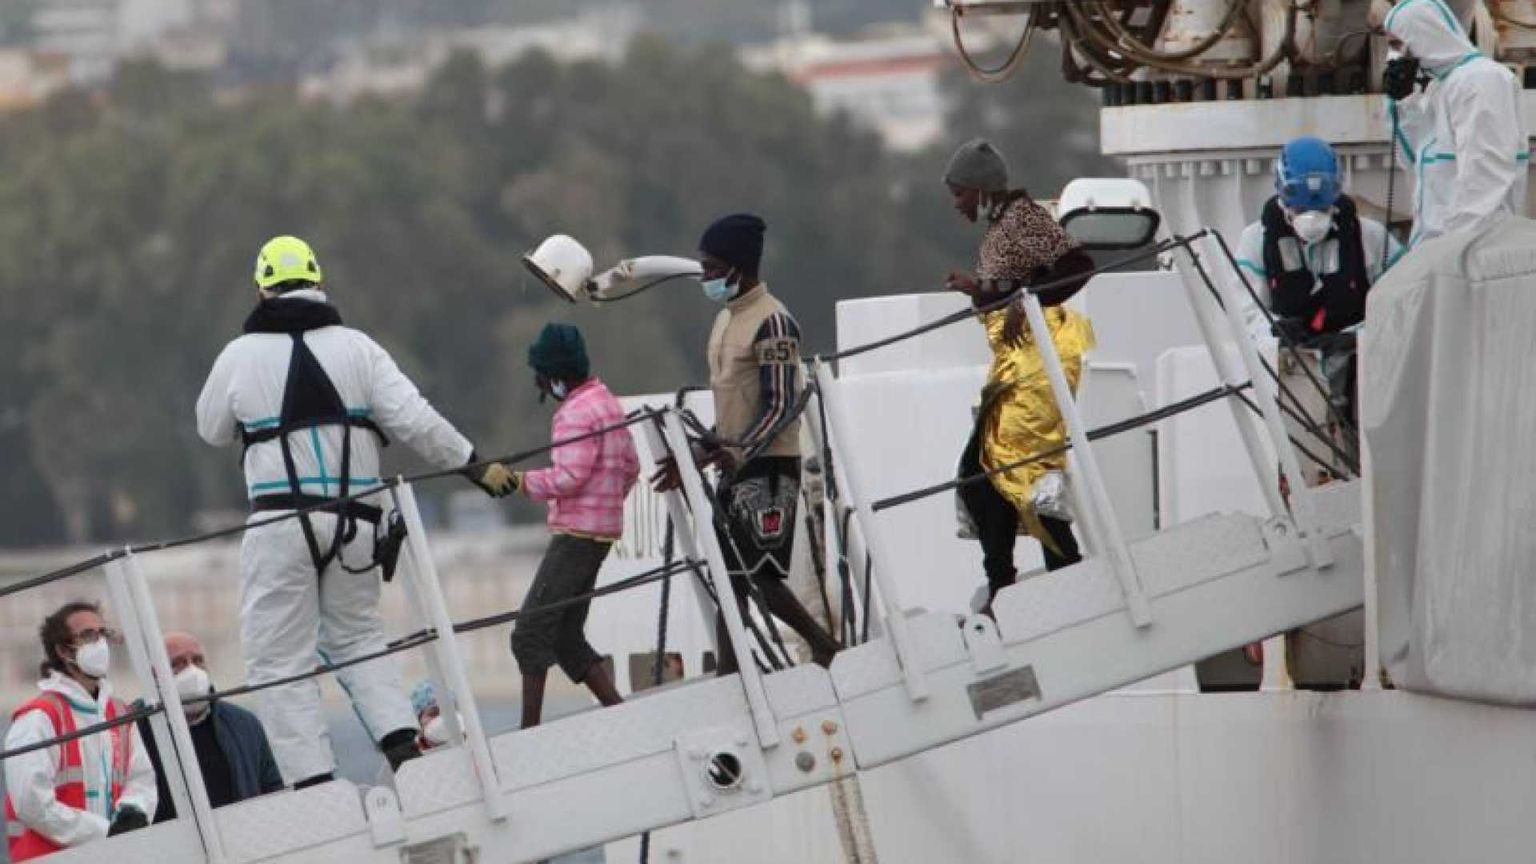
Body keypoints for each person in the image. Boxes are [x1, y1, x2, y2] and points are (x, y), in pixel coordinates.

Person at [196, 235, 517, 789]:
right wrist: (474, 465)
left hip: (280, 524)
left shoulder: (238, 355)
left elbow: (211, 429)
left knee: (280, 661)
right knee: (360, 641)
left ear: (261, 288)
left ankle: (316, 786)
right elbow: (415, 420)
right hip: (359, 527)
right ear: (320, 281)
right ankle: (403, 753)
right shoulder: (360, 348)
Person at [652, 213, 842, 676]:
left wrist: (734, 449)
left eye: (714, 268)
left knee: (759, 574)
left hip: (770, 469)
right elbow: (732, 407)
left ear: (738, 267)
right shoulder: (725, 320)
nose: (707, 277)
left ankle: (824, 647)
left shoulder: (774, 322)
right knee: (729, 575)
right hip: (734, 466)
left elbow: (780, 406)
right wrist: (695, 456)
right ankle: (731, 676)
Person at [941, 138, 1096, 614]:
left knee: (1006, 474)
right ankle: (1012, 583)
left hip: (1037, 367)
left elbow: (1078, 267)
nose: (957, 204)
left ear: (981, 188)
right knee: (988, 477)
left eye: (960, 193)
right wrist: (981, 290)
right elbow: (1007, 289)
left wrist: (1024, 300)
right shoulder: (1002, 227)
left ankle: (1045, 577)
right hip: (1016, 365)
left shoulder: (1023, 218)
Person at [1228, 137, 1402, 483]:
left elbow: (1402, 302)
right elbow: (1242, 309)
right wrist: (1275, 332)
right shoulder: (1257, 241)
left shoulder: (1369, 238)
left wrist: (1355, 338)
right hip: (1294, 371)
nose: (1312, 217)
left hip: (1360, 367)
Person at [506, 323, 638, 728]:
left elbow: (568, 478)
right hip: (602, 534)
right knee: (565, 636)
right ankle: (620, 713)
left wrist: (519, 482)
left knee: (529, 632)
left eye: (542, 378)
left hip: (575, 537)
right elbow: (631, 467)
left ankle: (528, 732)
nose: (542, 386)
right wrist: (606, 505)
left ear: (556, 374)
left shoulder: (574, 413)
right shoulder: (607, 401)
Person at [4, 601, 157, 860]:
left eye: (103, 634)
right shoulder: (39, 718)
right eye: (88, 635)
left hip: (113, 856)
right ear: (63, 650)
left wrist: (135, 810)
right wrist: (103, 831)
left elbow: (141, 778)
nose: (100, 643)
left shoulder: (119, 714)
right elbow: (31, 802)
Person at [1375, 0, 1527, 246]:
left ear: (1423, 34)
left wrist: (1452, 250)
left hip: (1468, 252)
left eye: (1396, 44)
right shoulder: (1440, 87)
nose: (1392, 55)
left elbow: (1485, 179)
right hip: (1435, 249)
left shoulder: (1481, 80)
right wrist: (1401, 102)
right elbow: (1410, 159)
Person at [134, 631, 284, 822]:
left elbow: (272, 789)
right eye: (177, 664)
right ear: (155, 676)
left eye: (197, 660)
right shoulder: (134, 731)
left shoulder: (244, 725)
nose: (192, 671)